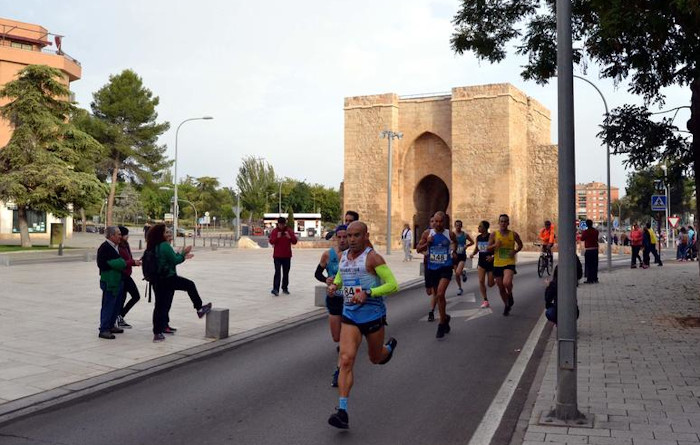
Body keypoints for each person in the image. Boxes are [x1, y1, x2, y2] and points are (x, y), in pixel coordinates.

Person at [326, 221, 399, 429]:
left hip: (373, 316)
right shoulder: (344, 259)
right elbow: (341, 279)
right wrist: (334, 286)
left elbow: (393, 284)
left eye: (356, 235)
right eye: (349, 236)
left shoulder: (373, 258)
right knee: (346, 360)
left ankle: (388, 349)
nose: (351, 240)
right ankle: (342, 411)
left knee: (376, 358)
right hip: (350, 316)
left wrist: (368, 293)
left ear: (366, 235)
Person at [146, 224, 212, 342]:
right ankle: (199, 308)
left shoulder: (155, 246)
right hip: (167, 278)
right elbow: (175, 260)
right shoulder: (164, 246)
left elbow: (169, 259)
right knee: (189, 285)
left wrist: (181, 255)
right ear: (161, 235)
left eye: (169, 232)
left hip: (158, 279)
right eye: (166, 232)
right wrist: (183, 254)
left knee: (163, 304)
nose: (169, 234)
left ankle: (162, 328)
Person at [315, 225, 349, 388]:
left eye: (345, 237)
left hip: (351, 301)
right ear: (336, 238)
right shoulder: (328, 255)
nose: (342, 240)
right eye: (340, 237)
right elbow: (317, 273)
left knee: (344, 339)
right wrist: (326, 280)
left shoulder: (355, 255)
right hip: (334, 299)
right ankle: (345, 351)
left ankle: (339, 370)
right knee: (337, 337)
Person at [417, 211, 457, 338]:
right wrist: (427, 243)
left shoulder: (449, 234)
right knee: (438, 296)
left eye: (441, 221)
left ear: (444, 222)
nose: (438, 224)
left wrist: (453, 251)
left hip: (445, 267)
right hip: (432, 268)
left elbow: (454, 244)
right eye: (436, 221)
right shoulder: (427, 233)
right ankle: (445, 318)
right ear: (433, 221)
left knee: (440, 293)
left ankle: (441, 324)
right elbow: (418, 249)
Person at [488, 214, 523, 316]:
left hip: (509, 262)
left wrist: (515, 251)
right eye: (501, 221)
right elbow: (488, 248)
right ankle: (506, 304)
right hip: (497, 263)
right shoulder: (494, 235)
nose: (503, 223)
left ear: (508, 223)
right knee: (501, 287)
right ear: (499, 223)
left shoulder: (513, 234)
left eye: (505, 221)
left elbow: (520, 245)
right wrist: (495, 245)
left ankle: (510, 294)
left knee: (506, 282)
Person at [96, 226, 127, 340]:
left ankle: (111, 325)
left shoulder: (115, 247)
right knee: (108, 305)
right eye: (118, 234)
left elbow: (121, 262)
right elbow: (104, 264)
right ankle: (104, 329)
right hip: (109, 281)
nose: (120, 236)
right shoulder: (105, 247)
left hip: (117, 280)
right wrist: (119, 263)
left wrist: (119, 263)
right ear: (111, 236)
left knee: (116, 305)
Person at [116, 226, 141, 328]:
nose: (128, 237)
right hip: (122, 275)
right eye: (126, 235)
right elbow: (121, 262)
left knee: (133, 296)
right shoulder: (117, 247)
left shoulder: (126, 245)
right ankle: (118, 317)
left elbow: (129, 259)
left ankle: (120, 316)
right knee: (124, 297)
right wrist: (133, 262)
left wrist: (135, 262)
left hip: (127, 274)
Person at [269, 217, 298, 296]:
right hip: (277, 256)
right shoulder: (275, 231)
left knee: (286, 273)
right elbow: (271, 241)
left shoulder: (289, 231)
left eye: (283, 224)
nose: (281, 226)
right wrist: (277, 237)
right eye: (280, 224)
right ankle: (275, 289)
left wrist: (290, 237)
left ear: (285, 224)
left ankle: (285, 288)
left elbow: (295, 241)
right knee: (277, 272)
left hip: (287, 256)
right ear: (278, 224)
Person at [470, 220, 495, 308]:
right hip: (481, 262)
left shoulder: (491, 237)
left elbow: (497, 248)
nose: (478, 228)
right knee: (481, 281)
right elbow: (477, 248)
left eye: (480, 226)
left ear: (485, 228)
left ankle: (497, 279)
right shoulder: (478, 238)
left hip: (490, 262)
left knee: (490, 284)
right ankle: (485, 300)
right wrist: (473, 254)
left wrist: (493, 257)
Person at [453, 219, 475, 296]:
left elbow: (472, 242)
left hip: (462, 255)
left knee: (458, 272)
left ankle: (462, 272)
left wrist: (467, 246)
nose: (458, 227)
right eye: (457, 225)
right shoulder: (452, 234)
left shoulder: (465, 235)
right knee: (456, 274)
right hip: (455, 256)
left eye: (459, 225)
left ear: (461, 226)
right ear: (454, 226)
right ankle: (460, 288)